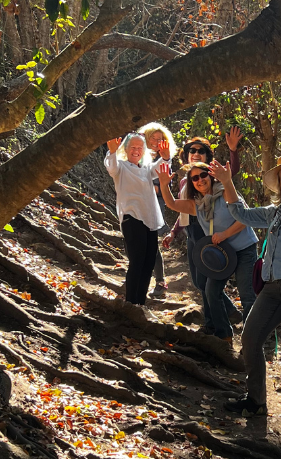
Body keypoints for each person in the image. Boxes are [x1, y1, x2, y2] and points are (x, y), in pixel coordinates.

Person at [211, 155, 281, 427]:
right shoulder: (276, 211)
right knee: (250, 338)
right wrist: (227, 182)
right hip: (273, 286)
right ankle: (256, 402)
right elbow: (240, 214)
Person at [157, 159, 257, 345]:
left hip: (244, 249)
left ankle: (253, 341)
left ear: (210, 176)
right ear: (191, 183)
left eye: (203, 175)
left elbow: (245, 219)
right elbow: (171, 203)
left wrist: (225, 234)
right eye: (195, 178)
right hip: (221, 254)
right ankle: (224, 335)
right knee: (211, 291)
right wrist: (164, 184)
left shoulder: (226, 192)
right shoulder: (196, 204)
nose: (200, 180)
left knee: (247, 295)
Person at [163, 128, 242, 333]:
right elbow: (184, 209)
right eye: (191, 150)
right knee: (200, 282)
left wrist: (233, 150)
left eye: (201, 151)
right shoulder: (186, 180)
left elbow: (230, 174)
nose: (195, 153)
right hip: (191, 232)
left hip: (205, 230)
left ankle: (212, 323)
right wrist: (173, 232)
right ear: (185, 156)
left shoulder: (211, 177)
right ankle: (228, 312)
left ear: (208, 157)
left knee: (206, 280)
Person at [104, 132, 164, 306]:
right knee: (137, 261)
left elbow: (159, 169)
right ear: (126, 149)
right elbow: (111, 167)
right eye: (133, 147)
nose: (136, 151)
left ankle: (140, 302)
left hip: (150, 219)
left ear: (144, 150)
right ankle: (131, 303)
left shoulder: (145, 169)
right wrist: (113, 151)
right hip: (132, 218)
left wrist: (166, 157)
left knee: (149, 261)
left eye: (140, 148)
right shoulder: (121, 167)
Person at [139, 122, 176, 297]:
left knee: (151, 240)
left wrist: (156, 186)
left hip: (155, 202)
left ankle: (160, 281)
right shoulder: (137, 153)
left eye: (160, 138)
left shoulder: (165, 156)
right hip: (134, 203)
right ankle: (138, 278)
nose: (156, 141)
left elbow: (167, 180)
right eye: (153, 137)